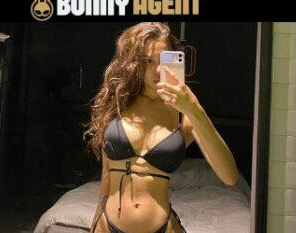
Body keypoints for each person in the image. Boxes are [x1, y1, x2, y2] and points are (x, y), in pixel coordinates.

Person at [83, 22, 239, 233]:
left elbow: (229, 177)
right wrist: (95, 222)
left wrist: (194, 109)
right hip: (108, 226)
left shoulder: (184, 113)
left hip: (163, 227)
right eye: (148, 61)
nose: (157, 69)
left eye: (163, 60)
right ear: (134, 62)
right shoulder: (117, 103)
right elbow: (107, 174)